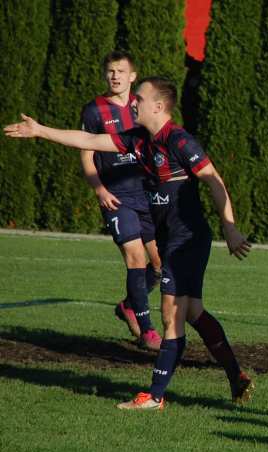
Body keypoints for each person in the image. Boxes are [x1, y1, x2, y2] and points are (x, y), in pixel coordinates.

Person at [5, 77, 254, 409]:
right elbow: (89, 138)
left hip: (186, 240)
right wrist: (41, 131)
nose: (132, 103)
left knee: (170, 315)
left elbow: (214, 180)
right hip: (171, 240)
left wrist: (231, 229)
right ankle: (236, 376)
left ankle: (154, 396)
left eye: (139, 98)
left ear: (159, 106)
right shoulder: (139, 140)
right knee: (192, 311)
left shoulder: (179, 141)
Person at [81, 51, 161, 351]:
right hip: (117, 198)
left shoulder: (143, 109)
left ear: (133, 76)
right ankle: (147, 331)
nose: (114, 76)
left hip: (146, 196)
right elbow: (86, 153)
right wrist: (100, 189)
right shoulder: (94, 110)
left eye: (120, 71)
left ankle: (129, 306)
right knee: (135, 259)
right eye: (110, 71)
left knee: (159, 266)